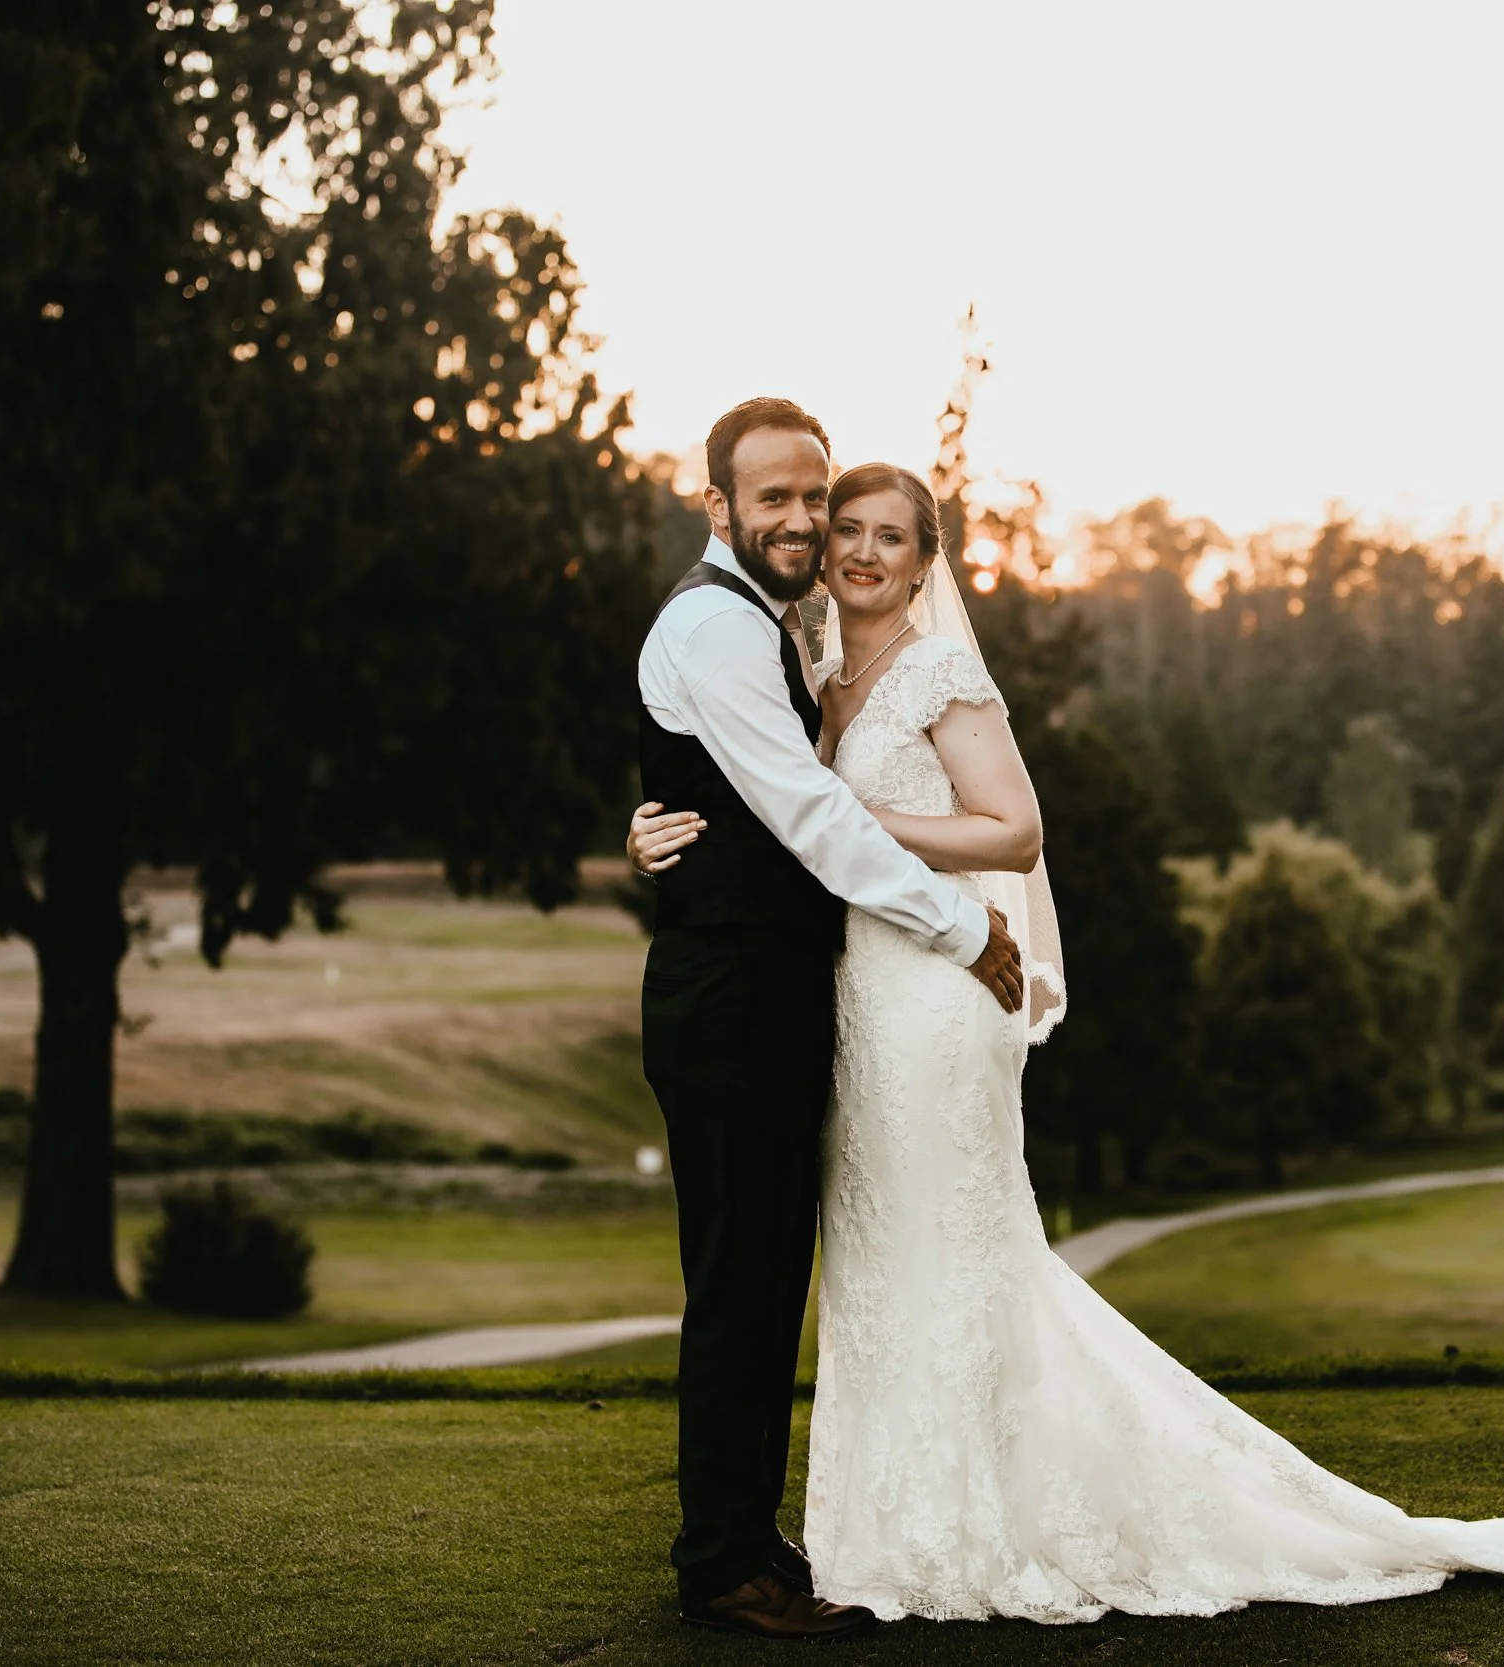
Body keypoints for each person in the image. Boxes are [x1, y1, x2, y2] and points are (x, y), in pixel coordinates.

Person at [628, 459, 1504, 1627]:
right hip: (859, 997)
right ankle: (884, 1530)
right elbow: (754, 791)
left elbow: (1016, 831)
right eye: (837, 528)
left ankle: (971, 1528)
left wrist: (880, 837)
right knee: (881, 1253)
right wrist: (650, 831)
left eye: (882, 534)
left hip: (932, 999)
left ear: (926, 558)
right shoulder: (807, 657)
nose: (854, 550)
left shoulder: (937, 670)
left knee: (955, 1244)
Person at [632, 399, 1023, 1640]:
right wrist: (964, 925)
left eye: (823, 500)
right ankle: (726, 1565)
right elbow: (805, 810)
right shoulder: (714, 621)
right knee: (741, 1281)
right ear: (720, 507)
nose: (806, 524)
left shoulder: (778, 630)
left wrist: (653, 826)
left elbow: (747, 791)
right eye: (782, 501)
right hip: (735, 994)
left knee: (760, 1271)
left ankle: (749, 1538)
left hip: (785, 989)